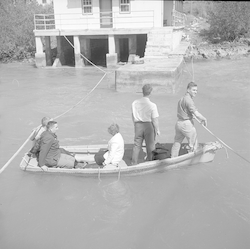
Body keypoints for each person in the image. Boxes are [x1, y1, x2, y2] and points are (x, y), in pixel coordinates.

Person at [171, 82, 207, 157]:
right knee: (193, 144)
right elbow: (196, 113)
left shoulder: (181, 99)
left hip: (179, 123)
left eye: (196, 90)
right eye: (193, 90)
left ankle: (173, 158)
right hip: (186, 124)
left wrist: (190, 116)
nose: (195, 92)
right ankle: (192, 160)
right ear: (188, 90)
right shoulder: (189, 100)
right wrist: (204, 119)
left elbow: (184, 111)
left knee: (177, 142)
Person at [131, 84, 160, 165]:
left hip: (138, 125)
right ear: (150, 92)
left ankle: (133, 163)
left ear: (142, 91)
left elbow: (133, 115)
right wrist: (157, 130)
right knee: (150, 145)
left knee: (137, 145)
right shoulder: (152, 105)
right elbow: (155, 119)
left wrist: (135, 125)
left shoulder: (134, 103)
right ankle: (150, 162)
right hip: (148, 125)